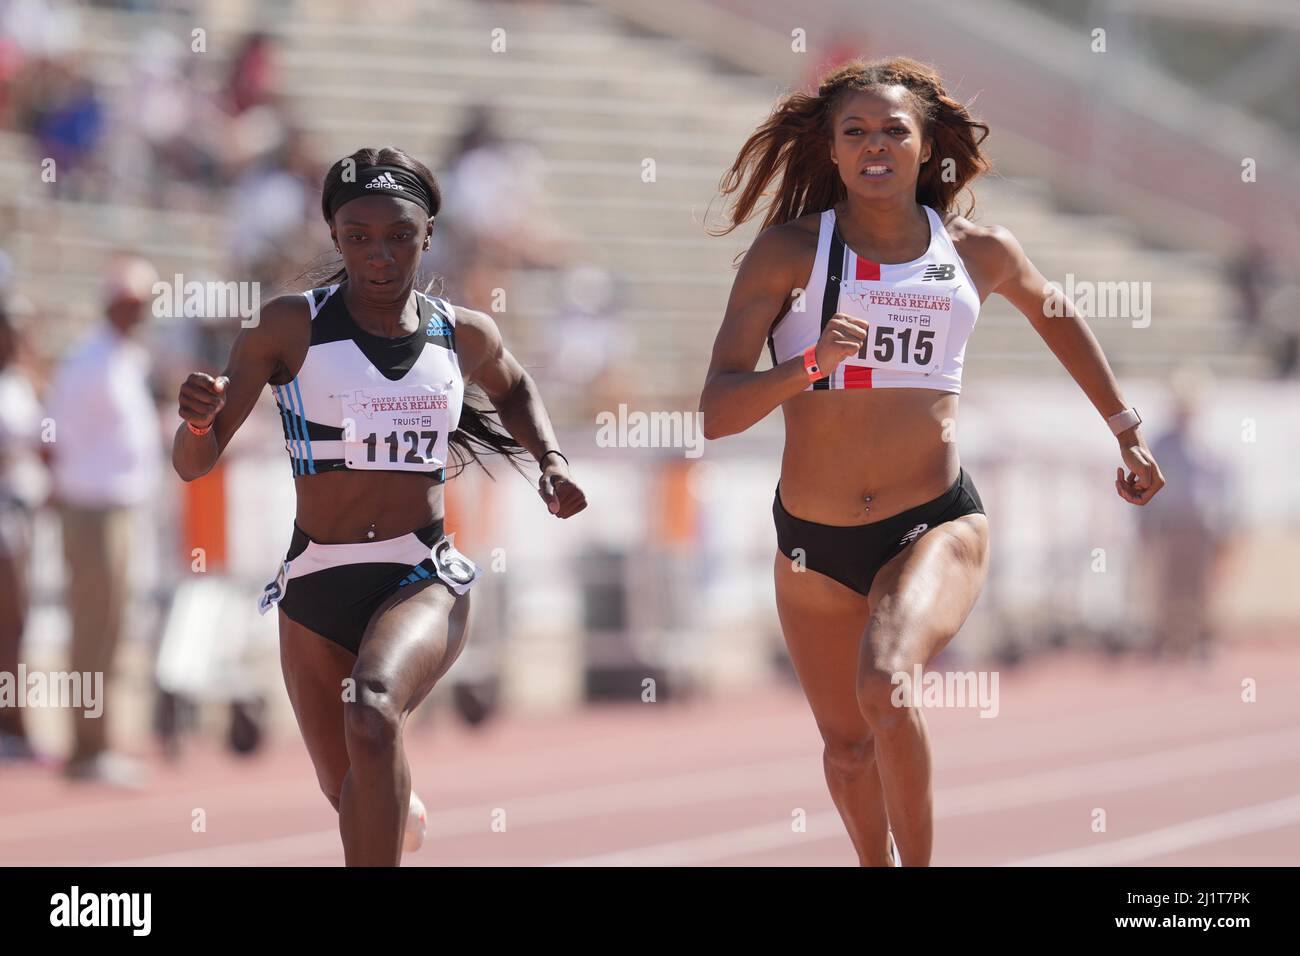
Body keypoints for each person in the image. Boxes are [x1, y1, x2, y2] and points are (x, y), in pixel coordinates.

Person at [699, 57, 1165, 866]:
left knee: (886, 685)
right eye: (855, 132)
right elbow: (715, 413)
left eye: (893, 130)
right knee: (848, 751)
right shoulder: (789, 254)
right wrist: (807, 366)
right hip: (811, 543)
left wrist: (1125, 428)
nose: (874, 145)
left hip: (933, 524)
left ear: (926, 145)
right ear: (832, 149)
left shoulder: (978, 253)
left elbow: (1058, 315)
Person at [172, 147, 587, 866]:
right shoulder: (288, 326)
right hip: (314, 583)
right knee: (352, 792)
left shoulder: (461, 333)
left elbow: (515, 385)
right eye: (359, 236)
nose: (380, 254)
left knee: (370, 711)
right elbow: (191, 463)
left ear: (429, 235)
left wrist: (550, 461)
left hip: (419, 575)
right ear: (335, 238)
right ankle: (396, 808)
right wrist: (200, 421)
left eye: (399, 235)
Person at [46, 257, 163, 786]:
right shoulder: (89, 361)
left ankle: (96, 743)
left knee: (111, 628)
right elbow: (53, 435)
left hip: (114, 508)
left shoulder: (121, 358)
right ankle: (88, 747)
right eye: (133, 303)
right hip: (92, 509)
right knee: (95, 629)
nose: (141, 313)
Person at [0, 298, 49, 761]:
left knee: (17, 622)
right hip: (5, 515)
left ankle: (14, 721)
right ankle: (10, 722)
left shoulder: (20, 382)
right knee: (7, 620)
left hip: (22, 515)